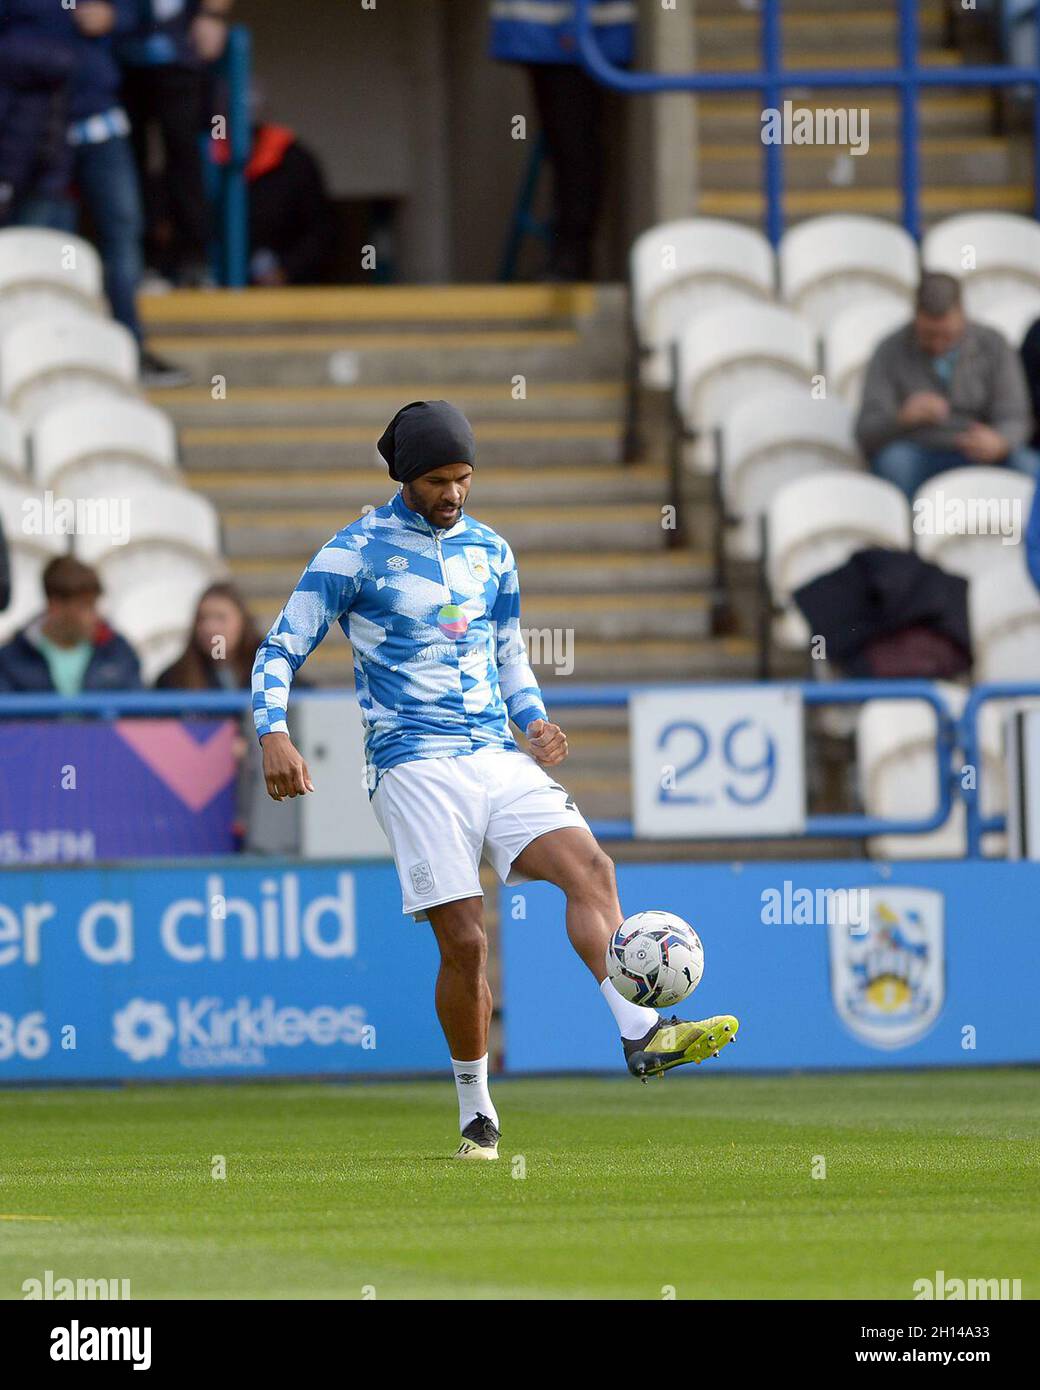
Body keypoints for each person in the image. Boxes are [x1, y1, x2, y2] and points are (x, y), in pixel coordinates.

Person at [250, 399, 738, 1160]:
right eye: (439, 480)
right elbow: (278, 648)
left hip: (492, 753)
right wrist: (273, 733)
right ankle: (476, 1110)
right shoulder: (352, 554)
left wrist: (532, 718)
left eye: (464, 478)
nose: (454, 494)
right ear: (405, 477)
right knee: (468, 944)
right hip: (412, 763)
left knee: (591, 867)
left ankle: (642, 1032)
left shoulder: (491, 551)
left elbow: (507, 651)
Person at [9, 0, 188, 386]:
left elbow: (143, 15)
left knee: (123, 231)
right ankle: (41, 359)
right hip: (33, 125)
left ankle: (130, 350)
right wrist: (52, 56)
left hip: (100, 116)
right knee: (45, 244)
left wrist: (113, 17)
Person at [856, 272, 1040, 498]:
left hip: (983, 451)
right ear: (916, 317)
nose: (937, 344)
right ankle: (907, 531)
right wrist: (902, 417)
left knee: (1029, 466)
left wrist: (1000, 441)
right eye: (928, 335)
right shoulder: (889, 350)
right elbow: (866, 432)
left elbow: (1016, 415)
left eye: (946, 335)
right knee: (894, 463)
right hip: (920, 449)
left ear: (963, 315)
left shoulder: (993, 344)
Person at [489, 0, 635, 280]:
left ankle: (573, 257)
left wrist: (569, 27)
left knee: (574, 148)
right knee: (565, 147)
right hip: (550, 33)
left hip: (572, 32)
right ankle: (567, 255)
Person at [118, 0, 234, 287]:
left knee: (185, 159)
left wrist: (212, 14)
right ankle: (144, 263)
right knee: (130, 162)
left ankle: (193, 261)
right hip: (121, 56)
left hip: (180, 57)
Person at [209, 113, 337, 286]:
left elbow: (321, 229)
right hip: (217, 284)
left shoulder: (294, 160)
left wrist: (287, 271)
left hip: (288, 289)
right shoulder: (208, 161)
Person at [0, 555, 141, 693]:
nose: (95, 616)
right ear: (55, 606)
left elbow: (139, 709)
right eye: (85, 606)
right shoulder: (11, 659)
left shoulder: (119, 653)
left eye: (93, 605)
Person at [155, 580, 260, 689]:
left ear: (243, 621)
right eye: (202, 618)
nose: (210, 628)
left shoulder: (270, 664)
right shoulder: (174, 679)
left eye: (220, 618)